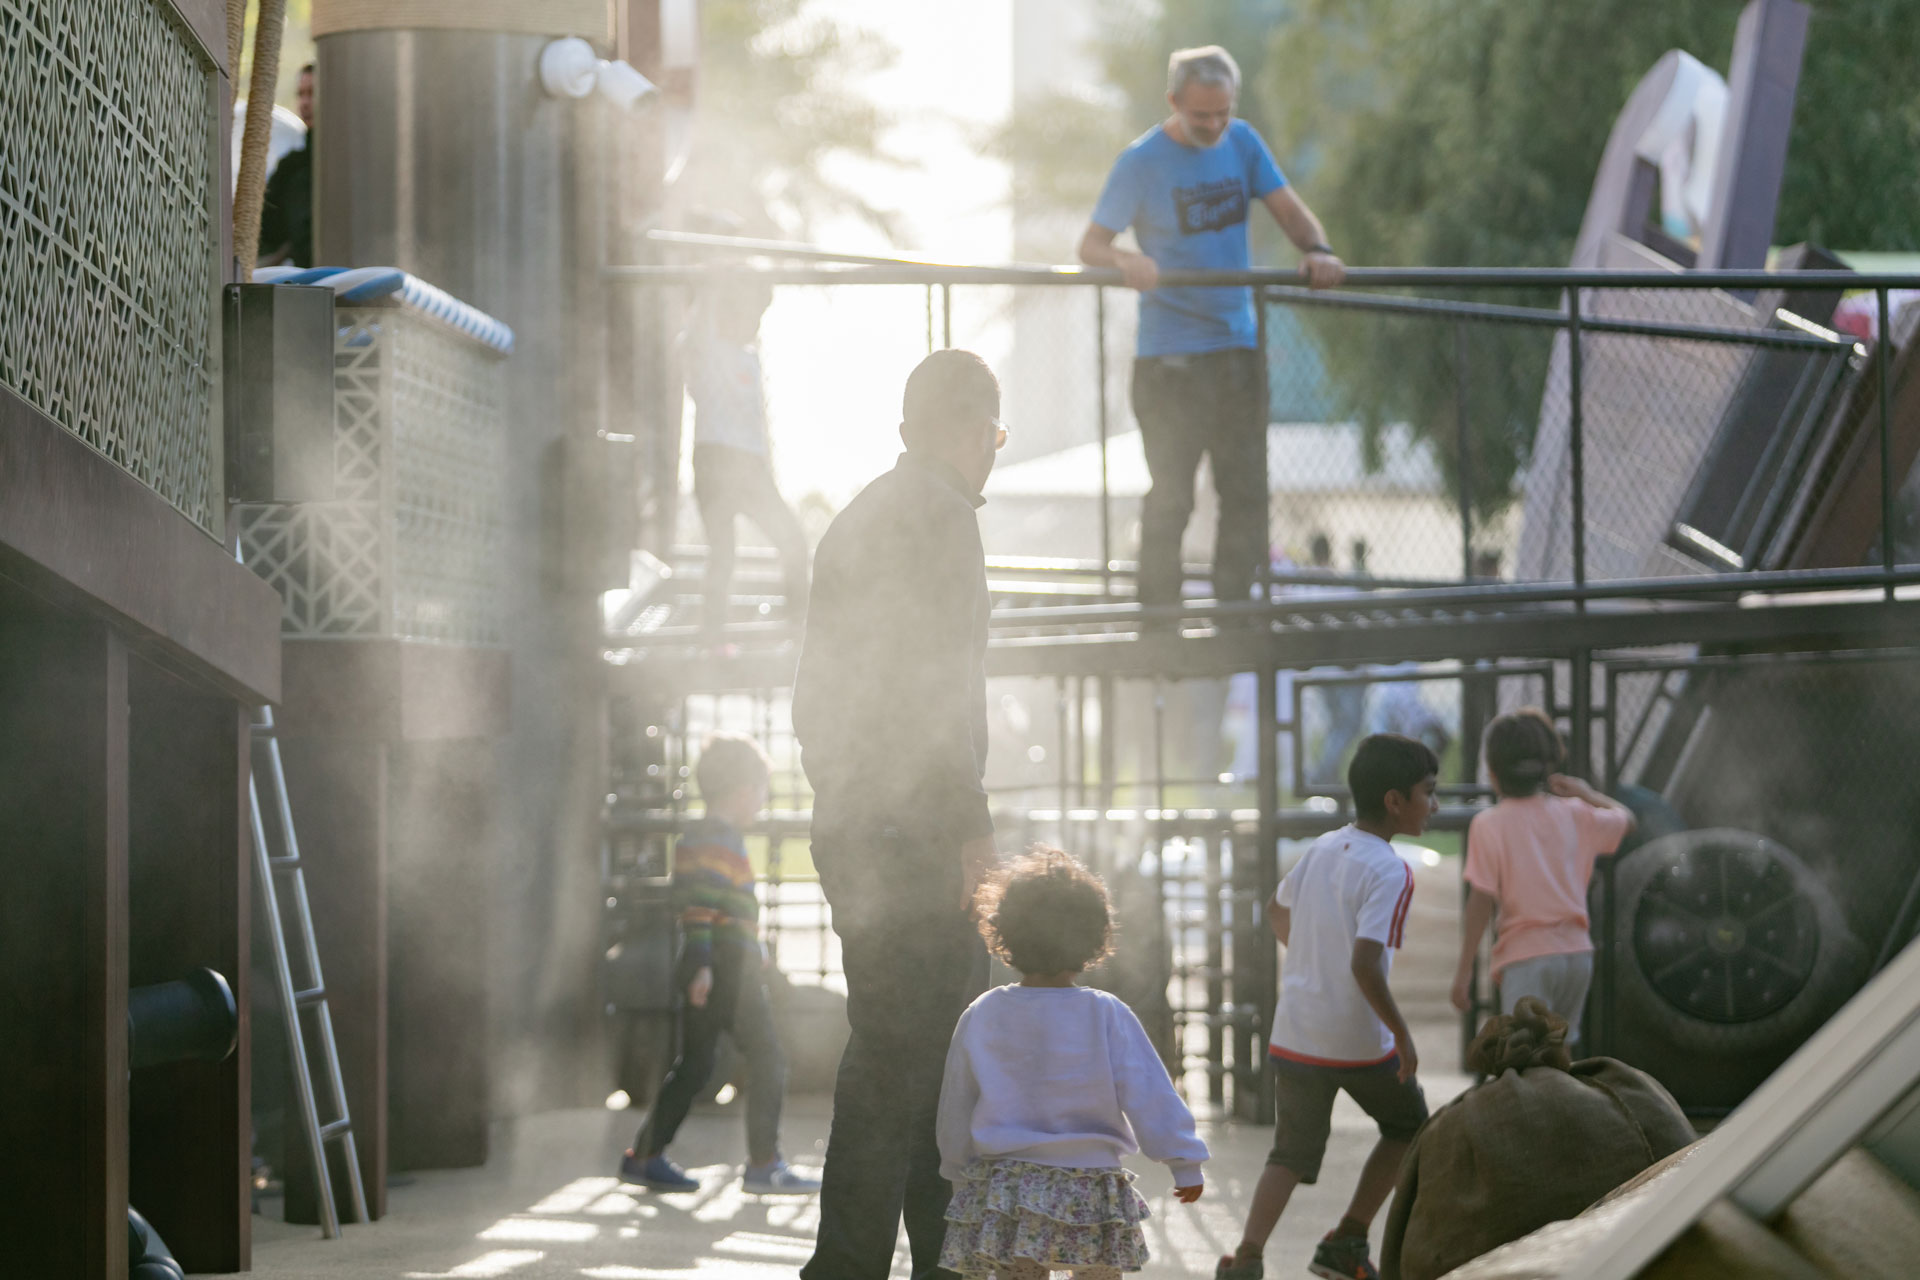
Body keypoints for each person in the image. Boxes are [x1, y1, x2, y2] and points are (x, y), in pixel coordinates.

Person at [793, 349, 1008, 1280]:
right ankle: (850, 1267)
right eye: (996, 435)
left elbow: (815, 700)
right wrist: (972, 831)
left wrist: (846, 800)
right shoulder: (944, 516)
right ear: (972, 429)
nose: (993, 454)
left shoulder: (856, 518)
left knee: (911, 1056)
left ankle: (937, 1263)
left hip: (855, 825)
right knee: (908, 1062)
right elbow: (937, 689)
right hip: (918, 835)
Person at [1079, 45, 1346, 613]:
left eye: (1223, 112)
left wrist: (1319, 251)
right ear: (1174, 102)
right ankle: (1159, 626)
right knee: (1172, 499)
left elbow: (1291, 212)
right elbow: (1091, 246)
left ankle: (1235, 620)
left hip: (1236, 354)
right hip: (1169, 362)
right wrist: (1126, 260)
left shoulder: (1243, 142)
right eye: (1202, 115)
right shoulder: (1141, 162)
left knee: (1246, 495)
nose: (1215, 125)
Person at [1219, 734, 1438, 1280]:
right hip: (1358, 1041)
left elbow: (1276, 910)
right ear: (1395, 801)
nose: (1434, 805)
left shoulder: (1322, 848)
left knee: (1288, 1155)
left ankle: (1247, 1258)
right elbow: (1365, 964)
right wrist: (1401, 1034)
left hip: (1297, 1032)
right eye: (1428, 792)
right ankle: (1348, 1239)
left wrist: (1312, 962)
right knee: (1409, 1125)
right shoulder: (1390, 869)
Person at [937, 848, 1209, 1280]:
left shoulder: (984, 1012)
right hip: (1091, 1185)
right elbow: (1149, 1091)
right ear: (1094, 938)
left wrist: (956, 1168)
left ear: (1004, 932)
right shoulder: (1106, 1013)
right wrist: (1183, 1159)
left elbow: (957, 1099)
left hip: (1007, 1186)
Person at [617, 734, 819, 1195]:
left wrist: (749, 946)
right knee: (768, 1058)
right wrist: (706, 963)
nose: (763, 801)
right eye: (762, 791)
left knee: (695, 1064)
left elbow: (718, 908)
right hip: (727, 970)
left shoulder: (704, 835)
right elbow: (700, 908)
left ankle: (644, 1157)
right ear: (744, 791)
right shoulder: (719, 839)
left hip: (722, 962)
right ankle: (765, 1164)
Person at [1449, 709, 1636, 1049]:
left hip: (1527, 959)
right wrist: (1586, 793)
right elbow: (1627, 820)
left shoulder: (1489, 824)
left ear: (1493, 772)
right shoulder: (1576, 813)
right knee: (1559, 1055)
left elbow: (1481, 900)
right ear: (1548, 765)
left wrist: (1464, 971)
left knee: (1524, 1059)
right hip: (1577, 957)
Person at [685, 278, 811, 646]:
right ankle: (712, 639)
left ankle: (797, 627)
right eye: (749, 315)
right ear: (729, 313)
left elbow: (756, 423)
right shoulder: (706, 351)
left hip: (750, 464)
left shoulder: (749, 359)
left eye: (759, 316)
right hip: (715, 459)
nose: (754, 324)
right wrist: (711, 283)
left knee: (793, 541)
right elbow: (696, 330)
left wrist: (765, 467)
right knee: (723, 553)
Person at [259, 63, 315, 268]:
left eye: (312, 93)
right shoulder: (291, 167)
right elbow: (268, 227)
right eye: (301, 94)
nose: (305, 103)